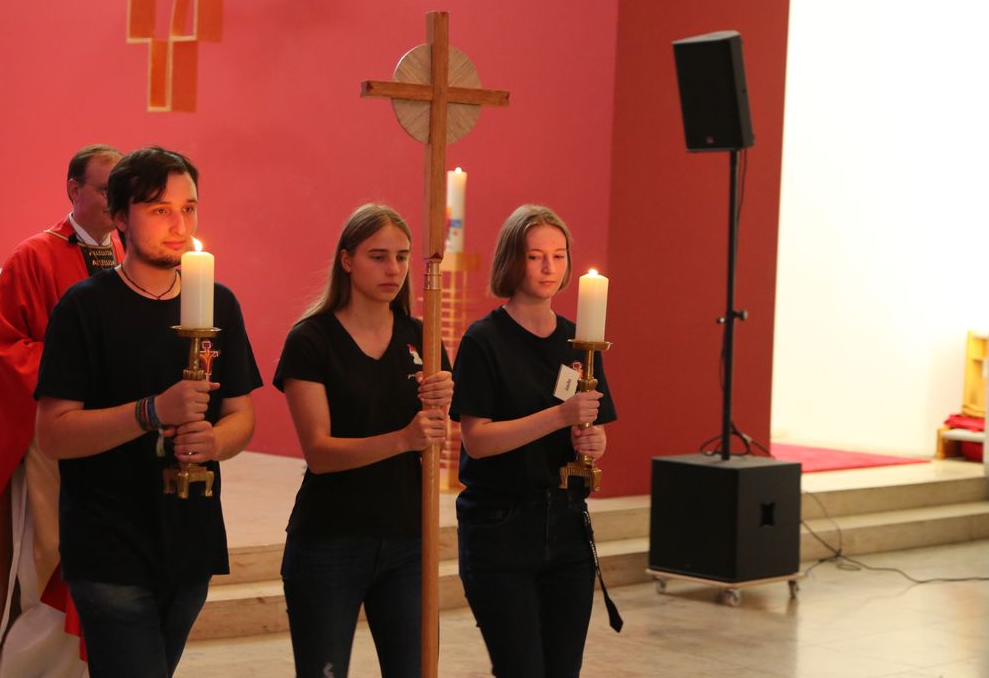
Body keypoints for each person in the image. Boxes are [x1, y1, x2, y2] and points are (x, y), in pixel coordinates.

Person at [34, 146, 260, 677]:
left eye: (189, 208)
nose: (179, 224)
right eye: (159, 209)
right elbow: (53, 434)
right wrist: (152, 411)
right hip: (109, 539)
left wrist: (215, 443)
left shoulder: (218, 303)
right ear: (119, 219)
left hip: (190, 539)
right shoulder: (85, 307)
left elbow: (242, 417)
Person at [0, 145, 123, 675]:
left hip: (110, 448)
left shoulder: (131, 259)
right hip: (48, 448)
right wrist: (83, 374)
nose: (117, 202)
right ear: (74, 191)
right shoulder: (34, 256)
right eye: (108, 189)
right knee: (47, 577)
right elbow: (3, 352)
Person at [273, 204, 454, 678]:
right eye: (378, 256)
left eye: (402, 256)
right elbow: (320, 451)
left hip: (408, 539)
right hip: (331, 539)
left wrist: (442, 406)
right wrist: (404, 438)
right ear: (347, 260)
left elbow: (435, 436)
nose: (393, 269)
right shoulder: (312, 340)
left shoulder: (424, 336)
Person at [450, 204, 619, 678]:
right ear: (511, 260)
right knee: (520, 668)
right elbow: (477, 440)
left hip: (566, 524)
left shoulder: (578, 341)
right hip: (501, 528)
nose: (549, 268)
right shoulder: (485, 340)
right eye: (535, 256)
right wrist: (559, 415)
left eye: (559, 256)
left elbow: (594, 426)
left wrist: (593, 440)